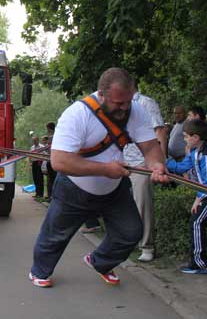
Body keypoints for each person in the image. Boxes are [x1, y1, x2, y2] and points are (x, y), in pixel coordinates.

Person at [28, 67, 169, 288]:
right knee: (55, 235)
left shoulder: (136, 111)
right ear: (101, 94)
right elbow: (60, 161)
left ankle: (99, 262)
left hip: (113, 188)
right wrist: (105, 169)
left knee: (131, 233)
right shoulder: (77, 114)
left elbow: (151, 147)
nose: (124, 108)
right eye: (118, 103)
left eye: (128, 102)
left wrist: (158, 165)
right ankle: (40, 271)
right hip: (73, 188)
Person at [166, 119, 207, 274]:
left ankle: (199, 264)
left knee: (196, 223)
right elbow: (181, 166)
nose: (184, 139)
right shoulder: (196, 153)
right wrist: (164, 163)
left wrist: (198, 198)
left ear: (195, 138)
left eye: (185, 136)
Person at [123, 87, 168, 262]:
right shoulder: (115, 104)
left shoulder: (145, 103)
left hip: (142, 161)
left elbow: (160, 131)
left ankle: (147, 246)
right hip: (123, 160)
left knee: (142, 203)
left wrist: (161, 162)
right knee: (124, 203)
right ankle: (128, 240)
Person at [44, 122, 57, 200]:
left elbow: (51, 148)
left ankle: (53, 196)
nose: (47, 130)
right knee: (50, 178)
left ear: (49, 128)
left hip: (53, 159)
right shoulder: (50, 136)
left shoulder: (54, 136)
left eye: (47, 128)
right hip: (49, 159)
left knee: (52, 178)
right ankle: (50, 195)